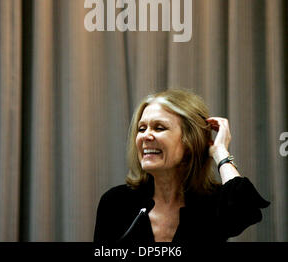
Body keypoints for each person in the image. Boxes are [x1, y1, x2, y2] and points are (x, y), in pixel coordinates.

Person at [93, 88, 270, 243]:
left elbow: (245, 208)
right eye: (141, 128)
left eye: (159, 128)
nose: (145, 136)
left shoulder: (211, 203)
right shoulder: (116, 202)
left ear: (189, 141)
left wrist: (220, 152)